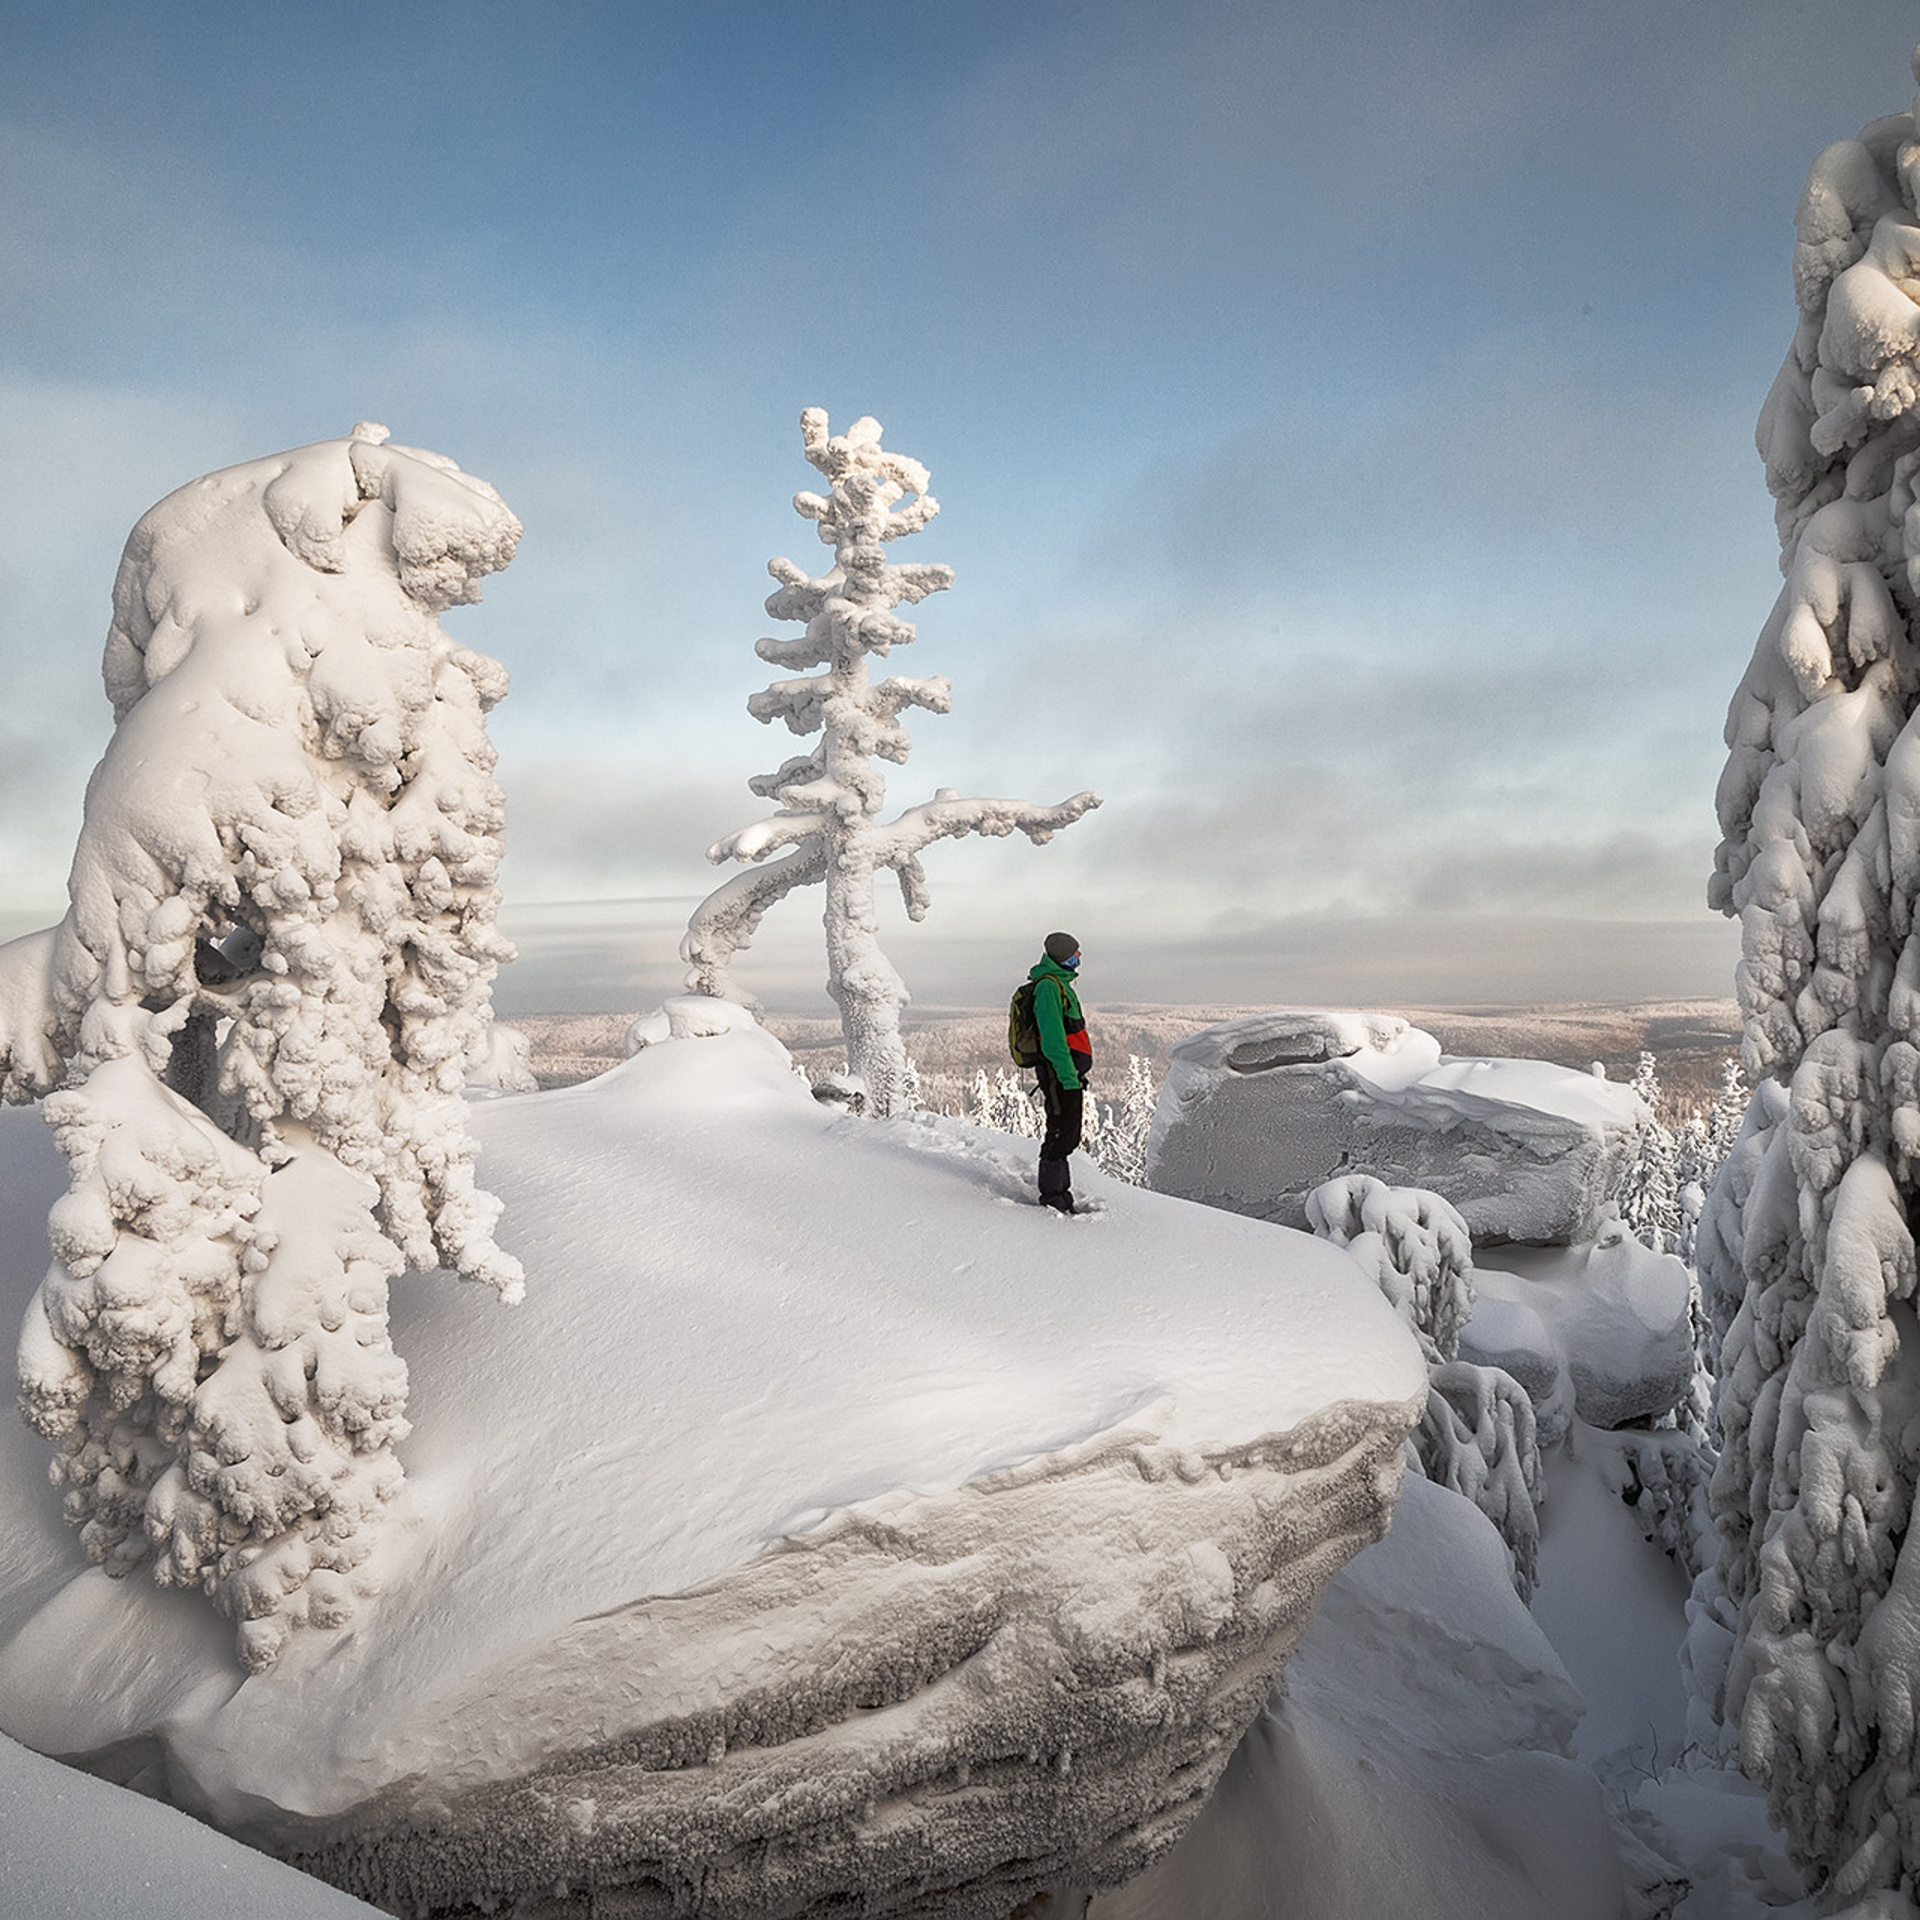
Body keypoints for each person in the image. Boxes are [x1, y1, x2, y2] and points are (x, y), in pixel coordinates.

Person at [1029, 931, 1093, 1212]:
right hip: (1059, 1075)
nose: (1079, 957)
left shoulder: (1062, 985)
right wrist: (1067, 1077)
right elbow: (1053, 1040)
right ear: (1062, 955)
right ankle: (1053, 1198)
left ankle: (1061, 1194)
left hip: (1068, 1076)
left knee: (1067, 1133)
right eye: (1075, 953)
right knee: (1059, 1133)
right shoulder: (1048, 987)